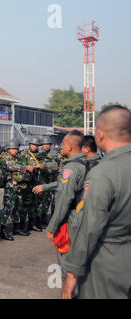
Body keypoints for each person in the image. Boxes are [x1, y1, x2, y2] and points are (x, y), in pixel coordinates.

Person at [61, 105, 131, 299]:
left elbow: (90, 227)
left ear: (99, 135)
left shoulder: (103, 173)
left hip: (108, 265)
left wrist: (72, 272)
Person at [34, 131, 88, 289]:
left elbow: (65, 199)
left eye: (63, 145)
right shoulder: (88, 164)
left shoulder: (70, 168)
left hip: (72, 220)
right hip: (84, 217)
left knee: (67, 263)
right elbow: (62, 184)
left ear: (70, 147)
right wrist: (44, 187)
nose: (60, 148)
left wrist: (52, 226)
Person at [0, 139, 32, 240]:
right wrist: (25, 167)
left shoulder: (18, 159)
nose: (15, 150)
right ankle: (3, 231)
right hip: (10, 187)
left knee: (18, 207)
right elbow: (11, 166)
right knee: (8, 208)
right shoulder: (5, 159)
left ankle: (16, 228)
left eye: (16, 148)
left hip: (19, 186)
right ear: (8, 149)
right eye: (13, 149)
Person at [20, 137, 45, 232]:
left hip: (36, 183)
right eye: (33, 145)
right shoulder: (23, 154)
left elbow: (45, 165)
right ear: (29, 144)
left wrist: (43, 166)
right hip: (26, 183)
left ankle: (31, 224)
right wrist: (26, 167)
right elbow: (17, 167)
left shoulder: (39, 156)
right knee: (25, 206)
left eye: (36, 146)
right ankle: (21, 226)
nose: (34, 147)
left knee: (34, 205)